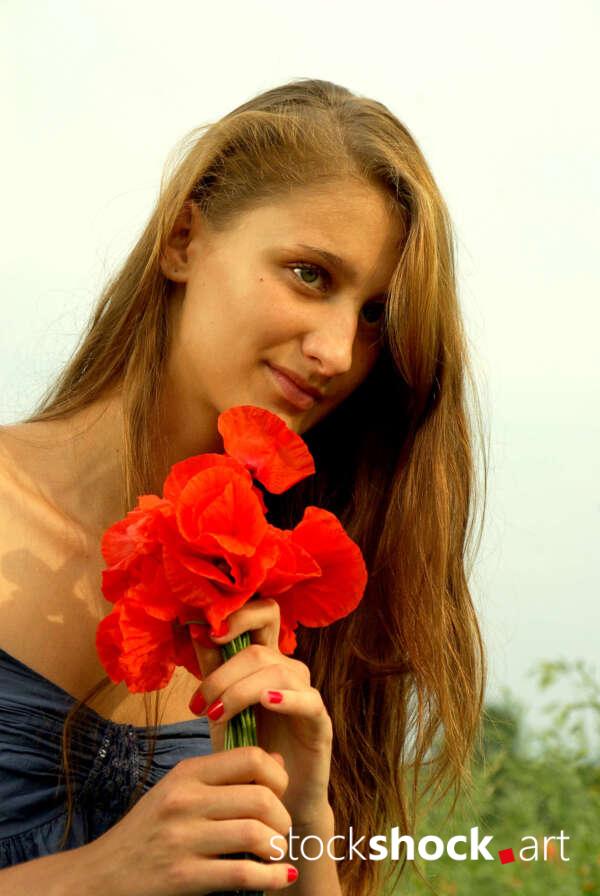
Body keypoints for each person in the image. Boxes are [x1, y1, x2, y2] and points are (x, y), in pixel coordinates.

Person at [0, 78, 486, 895]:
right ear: (184, 238)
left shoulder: (310, 598)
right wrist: (97, 877)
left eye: (375, 318)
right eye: (308, 274)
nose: (337, 351)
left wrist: (306, 828)